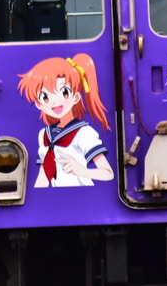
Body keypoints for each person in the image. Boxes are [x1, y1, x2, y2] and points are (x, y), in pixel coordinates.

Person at [18, 53, 114, 188]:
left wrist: (81, 170)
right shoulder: (44, 135)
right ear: (39, 104)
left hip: (83, 195)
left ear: (75, 97)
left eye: (64, 93)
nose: (55, 101)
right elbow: (44, 174)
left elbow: (108, 173)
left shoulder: (84, 133)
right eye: (45, 97)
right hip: (56, 197)